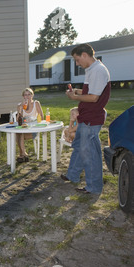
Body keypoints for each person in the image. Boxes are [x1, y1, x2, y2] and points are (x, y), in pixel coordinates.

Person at [61, 43, 111, 194]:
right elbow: (91, 90)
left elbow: (94, 97)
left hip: (92, 117)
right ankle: (73, 175)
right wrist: (77, 91)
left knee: (89, 153)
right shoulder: (92, 70)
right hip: (86, 116)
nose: (77, 63)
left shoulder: (98, 70)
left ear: (84, 55)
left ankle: (94, 187)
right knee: (79, 146)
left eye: (77, 59)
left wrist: (74, 97)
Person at [15, 88, 44, 163]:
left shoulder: (36, 103)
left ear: (32, 95)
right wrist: (20, 111)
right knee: (18, 133)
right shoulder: (20, 105)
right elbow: (18, 120)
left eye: (29, 94)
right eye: (25, 95)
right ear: (23, 96)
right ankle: (23, 154)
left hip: (33, 130)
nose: (27, 96)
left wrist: (34, 121)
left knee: (18, 134)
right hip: (24, 129)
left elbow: (42, 117)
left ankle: (22, 154)